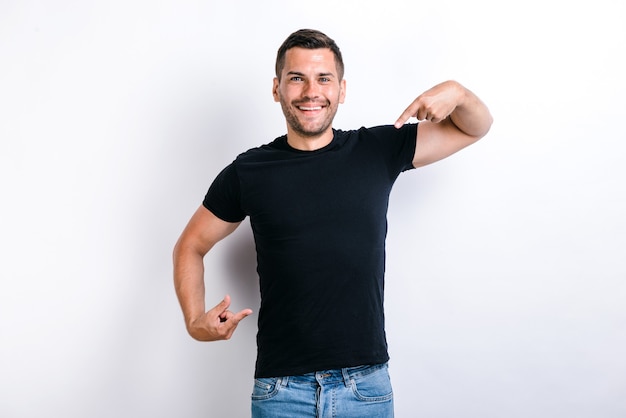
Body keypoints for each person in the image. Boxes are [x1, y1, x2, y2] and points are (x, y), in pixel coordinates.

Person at [173, 29, 492, 417]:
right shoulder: (248, 171)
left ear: (342, 90)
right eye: (297, 78)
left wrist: (459, 93)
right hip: (281, 392)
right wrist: (194, 322)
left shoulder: (377, 150)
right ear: (277, 89)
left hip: (365, 387)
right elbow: (190, 245)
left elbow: (474, 127)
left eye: (324, 78)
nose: (311, 91)